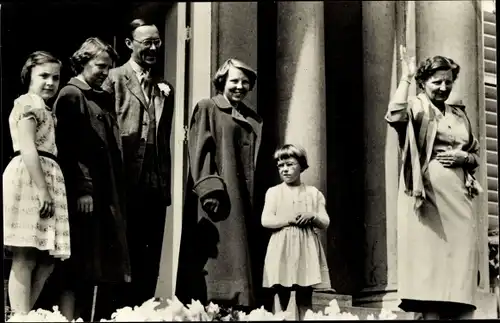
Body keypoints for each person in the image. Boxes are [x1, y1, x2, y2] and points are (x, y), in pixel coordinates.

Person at [385, 46, 482, 320]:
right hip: (427, 199)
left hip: (459, 200)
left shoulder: (459, 113)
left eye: (448, 82)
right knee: (432, 268)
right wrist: (406, 77)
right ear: (424, 82)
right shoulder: (417, 106)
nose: (443, 87)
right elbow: (395, 115)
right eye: (436, 82)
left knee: (460, 263)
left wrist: (464, 156)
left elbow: (475, 154)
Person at [52, 37, 131, 321]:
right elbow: (71, 148)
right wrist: (83, 188)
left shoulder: (100, 96)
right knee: (79, 266)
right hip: (86, 195)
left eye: (109, 68)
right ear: (83, 61)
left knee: (96, 266)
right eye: (100, 66)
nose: (105, 73)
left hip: (105, 192)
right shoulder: (72, 95)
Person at [176, 58, 262, 309]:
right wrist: (209, 191)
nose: (240, 86)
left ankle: (238, 307)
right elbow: (200, 150)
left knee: (240, 256)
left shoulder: (252, 118)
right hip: (218, 198)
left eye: (246, 82)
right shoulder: (208, 107)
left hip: (244, 197)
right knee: (219, 260)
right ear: (222, 81)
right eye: (234, 80)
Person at [102, 18, 174, 308]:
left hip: (153, 183)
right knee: (121, 254)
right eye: (147, 43)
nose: (154, 48)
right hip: (123, 182)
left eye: (157, 42)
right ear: (130, 44)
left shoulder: (162, 85)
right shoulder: (114, 78)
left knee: (149, 253)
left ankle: (142, 312)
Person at [3, 51, 70, 315]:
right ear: (28, 76)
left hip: (46, 175)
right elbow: (28, 146)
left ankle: (22, 316)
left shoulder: (45, 108)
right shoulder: (28, 102)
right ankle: (20, 318)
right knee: (25, 255)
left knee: (46, 261)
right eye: (43, 76)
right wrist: (42, 189)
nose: (50, 82)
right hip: (30, 177)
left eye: (55, 77)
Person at [261, 144, 330, 320]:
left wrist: (312, 215)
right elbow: (266, 220)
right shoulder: (274, 192)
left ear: (302, 165)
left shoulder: (313, 193)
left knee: (304, 294)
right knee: (281, 292)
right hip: (282, 247)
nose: (284, 169)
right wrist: (288, 220)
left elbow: (325, 221)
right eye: (280, 166)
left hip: (305, 248)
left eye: (290, 164)